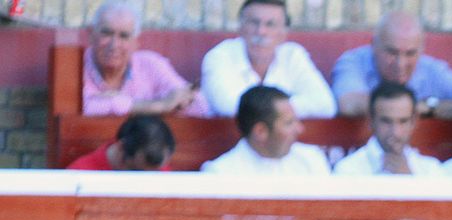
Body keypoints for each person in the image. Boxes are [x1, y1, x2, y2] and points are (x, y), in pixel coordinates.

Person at [331, 10, 452, 121]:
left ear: (421, 51)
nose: (400, 63)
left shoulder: (429, 68)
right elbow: (349, 105)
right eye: (392, 52)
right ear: (373, 46)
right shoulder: (353, 61)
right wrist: (416, 107)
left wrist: (431, 107)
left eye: (410, 54)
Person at [200, 0, 335, 119]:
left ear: (283, 33)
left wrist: (267, 110)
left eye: (270, 24)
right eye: (254, 22)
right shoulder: (220, 55)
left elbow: (325, 105)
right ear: (240, 27)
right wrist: (287, 108)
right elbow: (229, 106)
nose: (261, 31)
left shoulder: (293, 55)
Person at [82, 0, 210, 117]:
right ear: (91, 35)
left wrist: (116, 103)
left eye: (124, 36)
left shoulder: (150, 64)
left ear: (135, 42)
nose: (114, 45)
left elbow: (199, 106)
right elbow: (83, 108)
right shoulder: (74, 68)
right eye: (107, 33)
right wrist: (160, 105)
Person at [200, 84, 330, 175]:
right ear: (260, 132)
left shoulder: (311, 159)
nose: (300, 129)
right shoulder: (221, 173)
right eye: (289, 123)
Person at [333, 81, 442, 175]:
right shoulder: (347, 170)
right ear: (371, 120)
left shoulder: (431, 170)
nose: (395, 132)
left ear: (414, 121)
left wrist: (409, 179)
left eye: (403, 121)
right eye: (386, 121)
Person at [66, 114, 175, 170]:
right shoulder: (79, 174)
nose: (150, 181)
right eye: (137, 172)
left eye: (158, 172)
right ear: (121, 148)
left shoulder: (155, 164)